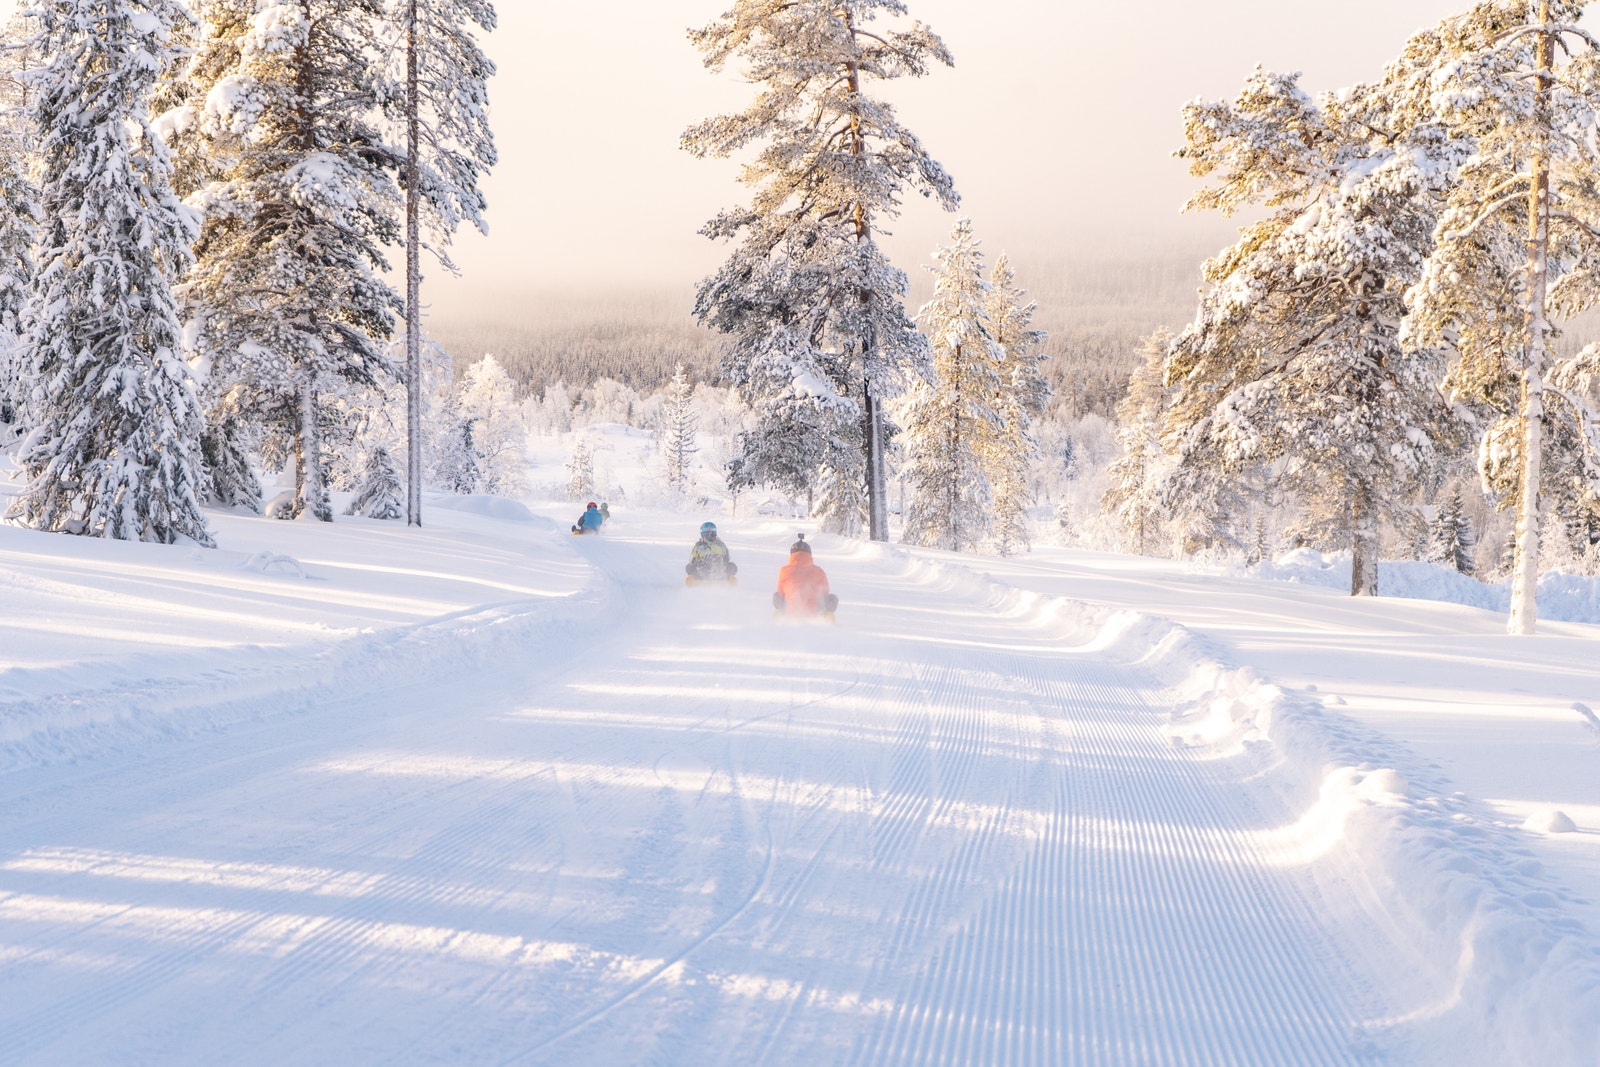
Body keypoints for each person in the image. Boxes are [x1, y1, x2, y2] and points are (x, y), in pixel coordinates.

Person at [773, 534, 837, 618]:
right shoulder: (819, 571)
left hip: (791, 615)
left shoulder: (784, 571)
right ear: (809, 554)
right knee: (831, 599)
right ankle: (828, 625)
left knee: (777, 597)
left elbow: (780, 594)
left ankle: (778, 623)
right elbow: (825, 593)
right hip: (814, 615)